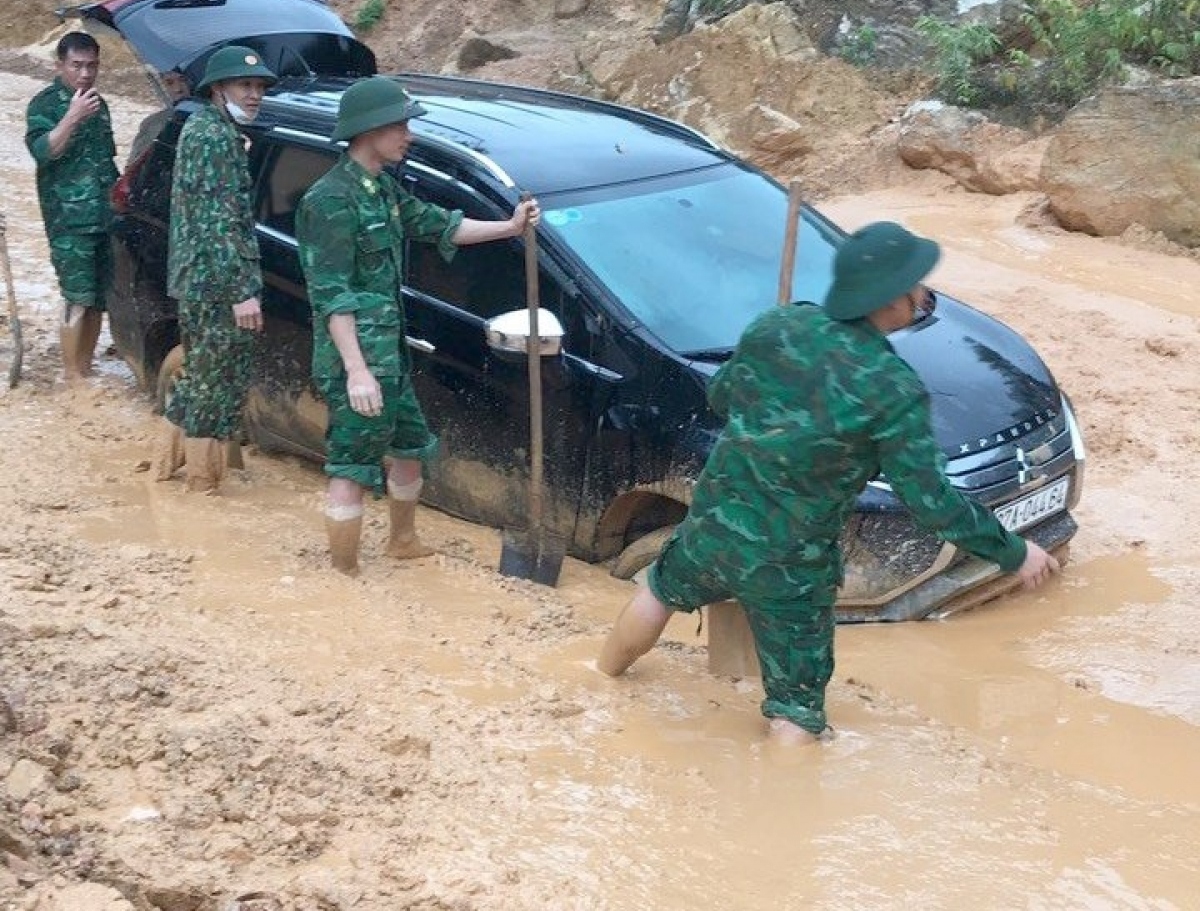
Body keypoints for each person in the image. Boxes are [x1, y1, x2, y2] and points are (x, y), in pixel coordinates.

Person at [597, 220, 1061, 745]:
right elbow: (931, 502)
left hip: (714, 522)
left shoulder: (777, 327)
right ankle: (782, 813)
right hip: (791, 562)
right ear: (892, 300)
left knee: (658, 592)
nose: (926, 292)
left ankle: (598, 680)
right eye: (917, 282)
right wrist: (1013, 552)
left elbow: (721, 398)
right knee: (795, 708)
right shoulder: (893, 388)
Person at [295, 75, 540, 577]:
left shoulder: (382, 188)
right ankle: (343, 576)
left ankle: (401, 541)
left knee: (410, 449)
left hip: (392, 356)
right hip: (358, 361)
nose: (408, 135)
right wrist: (356, 372)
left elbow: (439, 224)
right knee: (352, 465)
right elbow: (332, 297)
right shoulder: (329, 201)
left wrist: (511, 227)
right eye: (400, 125)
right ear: (368, 130)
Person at [158, 45, 277, 493]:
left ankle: (166, 468)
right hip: (216, 285)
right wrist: (241, 290)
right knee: (213, 384)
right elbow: (218, 222)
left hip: (201, 280)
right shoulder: (214, 137)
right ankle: (201, 488)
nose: (255, 95)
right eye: (245, 85)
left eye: (259, 87)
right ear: (218, 88)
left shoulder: (208, 128)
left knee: (202, 378)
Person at [24, 32, 118, 383]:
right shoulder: (46, 104)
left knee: (97, 298)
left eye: (92, 66)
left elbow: (106, 162)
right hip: (68, 220)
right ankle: (70, 375)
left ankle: (86, 367)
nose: (85, 74)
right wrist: (73, 116)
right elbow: (43, 151)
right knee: (76, 295)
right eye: (77, 66)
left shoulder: (100, 103)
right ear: (60, 65)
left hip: (103, 217)